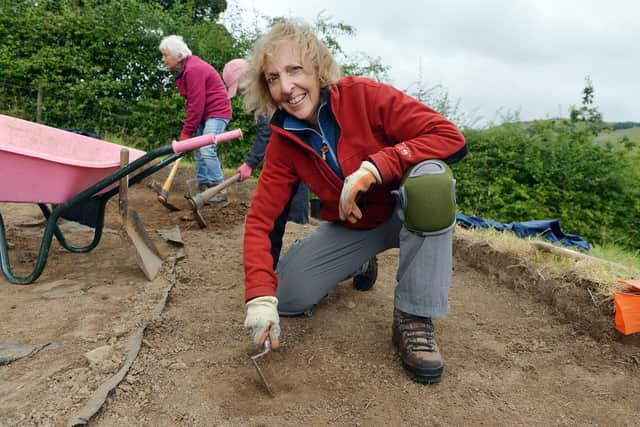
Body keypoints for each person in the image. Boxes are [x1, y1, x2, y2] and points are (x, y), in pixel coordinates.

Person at [240, 20, 467, 384]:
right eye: (272, 78)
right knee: (289, 296)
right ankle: (361, 264)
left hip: (405, 209)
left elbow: (448, 136)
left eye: (295, 69)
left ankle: (414, 317)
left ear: (318, 67)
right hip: (357, 224)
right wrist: (260, 298)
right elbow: (263, 220)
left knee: (432, 180)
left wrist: (376, 167)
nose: (286, 87)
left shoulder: (365, 96)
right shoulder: (284, 140)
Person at [222, 58, 378, 282]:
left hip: (304, 157)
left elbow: (266, 134)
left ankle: (347, 259)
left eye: (241, 87)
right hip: (290, 159)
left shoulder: (275, 91)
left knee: (293, 215)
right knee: (276, 215)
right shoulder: (271, 92)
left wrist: (250, 163)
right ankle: (275, 267)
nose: (242, 93)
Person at [159, 35, 232, 203]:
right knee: (199, 150)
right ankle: (204, 187)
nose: (163, 59)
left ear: (178, 56)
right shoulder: (182, 71)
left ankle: (219, 190)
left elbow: (196, 104)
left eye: (165, 55)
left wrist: (186, 132)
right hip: (204, 113)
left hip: (217, 112)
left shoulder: (193, 70)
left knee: (206, 149)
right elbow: (193, 103)